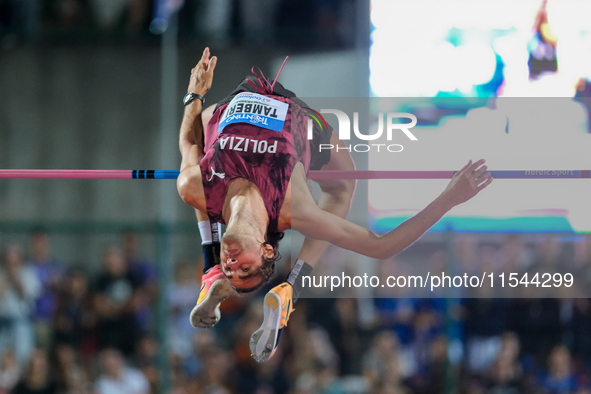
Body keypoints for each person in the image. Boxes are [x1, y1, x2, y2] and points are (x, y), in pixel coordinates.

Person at [176, 48, 493, 362]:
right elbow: (382, 247)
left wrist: (194, 93)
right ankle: (292, 288)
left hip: (232, 105)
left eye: (231, 270)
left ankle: (211, 269)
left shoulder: (195, 185)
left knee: (198, 163)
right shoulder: (295, 207)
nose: (234, 263)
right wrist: (449, 198)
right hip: (294, 114)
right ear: (267, 250)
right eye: (245, 268)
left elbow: (190, 142)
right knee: (344, 186)